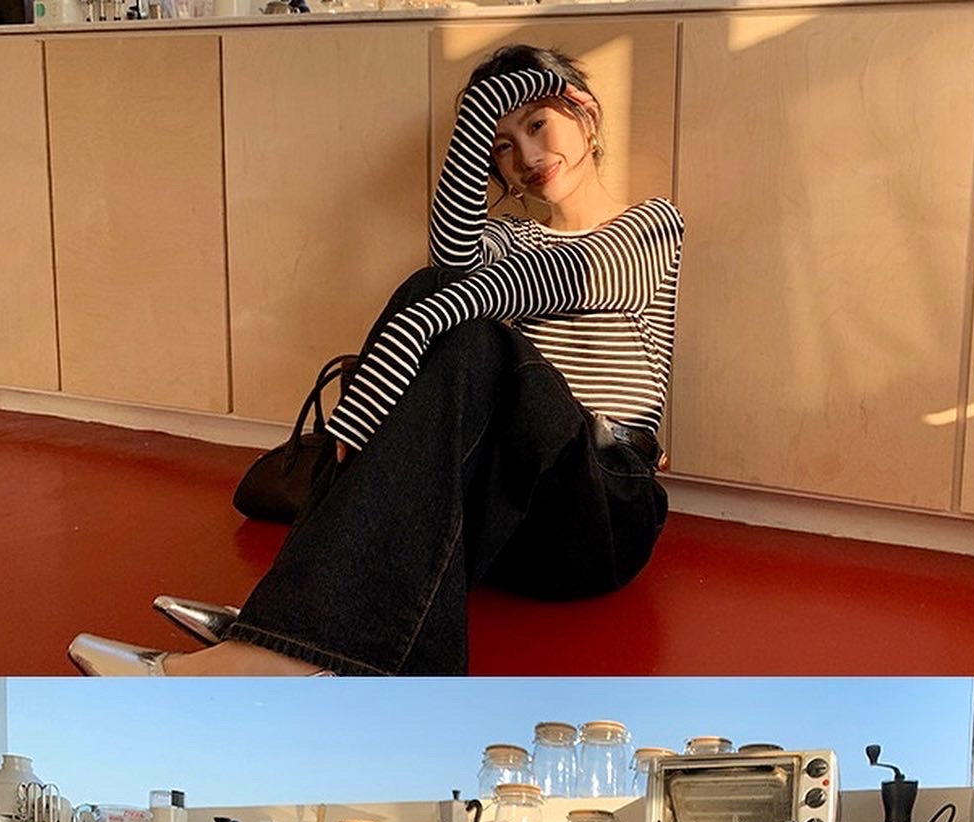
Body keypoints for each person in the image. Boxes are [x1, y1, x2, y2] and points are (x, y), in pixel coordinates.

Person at [68, 46, 685, 677]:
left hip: (598, 513)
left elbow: (519, 287)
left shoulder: (653, 225)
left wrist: (396, 355)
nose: (526, 157)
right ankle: (285, 625)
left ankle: (268, 654)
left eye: (537, 124)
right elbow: (452, 261)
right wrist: (482, 109)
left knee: (467, 330)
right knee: (430, 287)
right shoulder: (513, 235)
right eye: (502, 144)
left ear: (585, 111)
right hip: (503, 527)